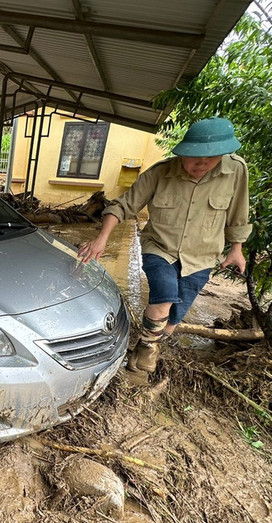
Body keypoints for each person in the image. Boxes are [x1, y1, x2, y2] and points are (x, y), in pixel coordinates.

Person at [78, 117, 252, 376]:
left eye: (210, 158)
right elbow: (123, 205)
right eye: (194, 157)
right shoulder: (160, 173)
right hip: (159, 247)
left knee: (172, 320)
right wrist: (102, 238)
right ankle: (142, 367)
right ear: (183, 150)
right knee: (163, 301)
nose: (200, 164)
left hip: (202, 256)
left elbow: (239, 212)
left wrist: (236, 249)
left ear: (223, 155)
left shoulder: (236, 171)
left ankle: (142, 348)